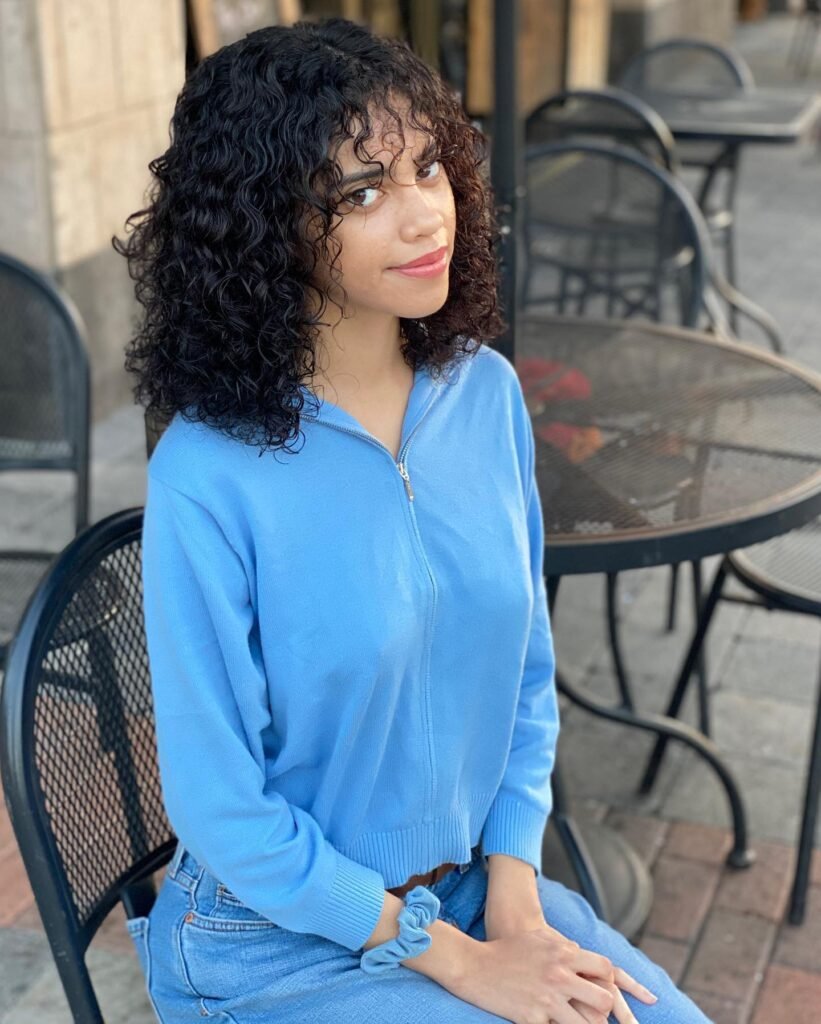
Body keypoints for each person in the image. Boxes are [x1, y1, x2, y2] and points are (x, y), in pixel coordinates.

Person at [115, 17, 714, 1024]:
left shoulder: (482, 394)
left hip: (472, 888)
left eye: (428, 167)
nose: (424, 215)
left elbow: (524, 674)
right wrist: (458, 964)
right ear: (264, 225)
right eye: (361, 192)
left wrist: (514, 898)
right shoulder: (207, 473)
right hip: (274, 938)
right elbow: (221, 808)